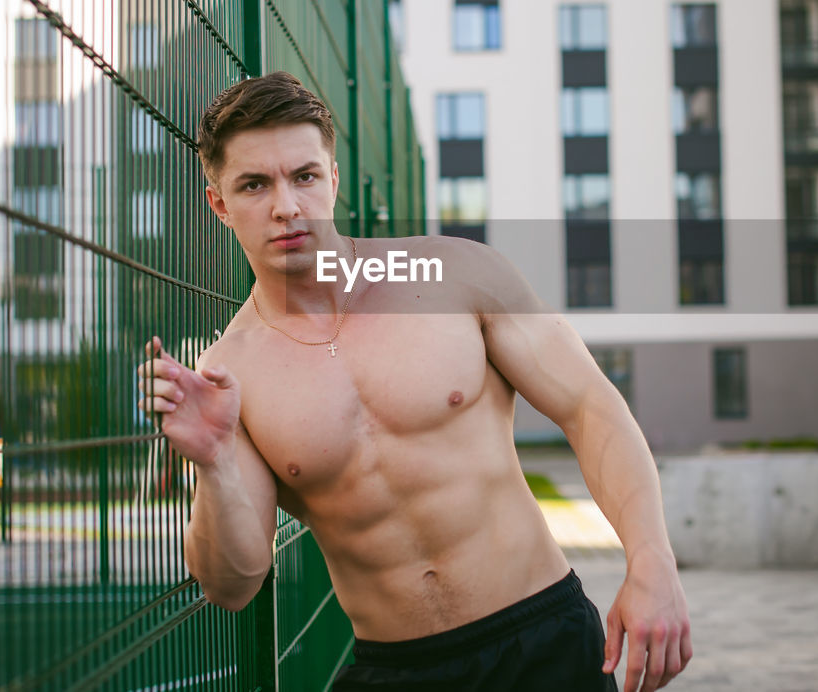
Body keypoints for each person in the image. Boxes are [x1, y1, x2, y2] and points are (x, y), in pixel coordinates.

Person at [137, 72, 692, 692]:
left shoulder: (456, 275)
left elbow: (590, 406)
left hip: (541, 640)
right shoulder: (230, 374)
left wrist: (652, 561)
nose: (287, 206)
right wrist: (212, 462)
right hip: (395, 671)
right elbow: (232, 584)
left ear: (333, 180)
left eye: (305, 176)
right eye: (254, 185)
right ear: (220, 204)